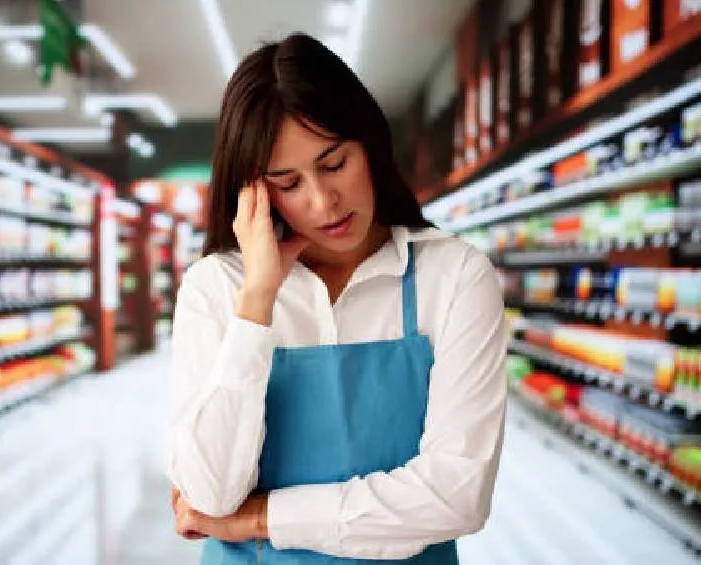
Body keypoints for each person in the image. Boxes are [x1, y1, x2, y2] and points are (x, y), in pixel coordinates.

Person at [167, 33, 507, 564]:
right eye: (288, 182)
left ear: (369, 144)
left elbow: (457, 494)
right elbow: (210, 493)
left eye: (334, 163)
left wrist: (260, 519)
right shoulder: (217, 288)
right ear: (253, 190)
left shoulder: (455, 276)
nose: (323, 200)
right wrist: (257, 299)